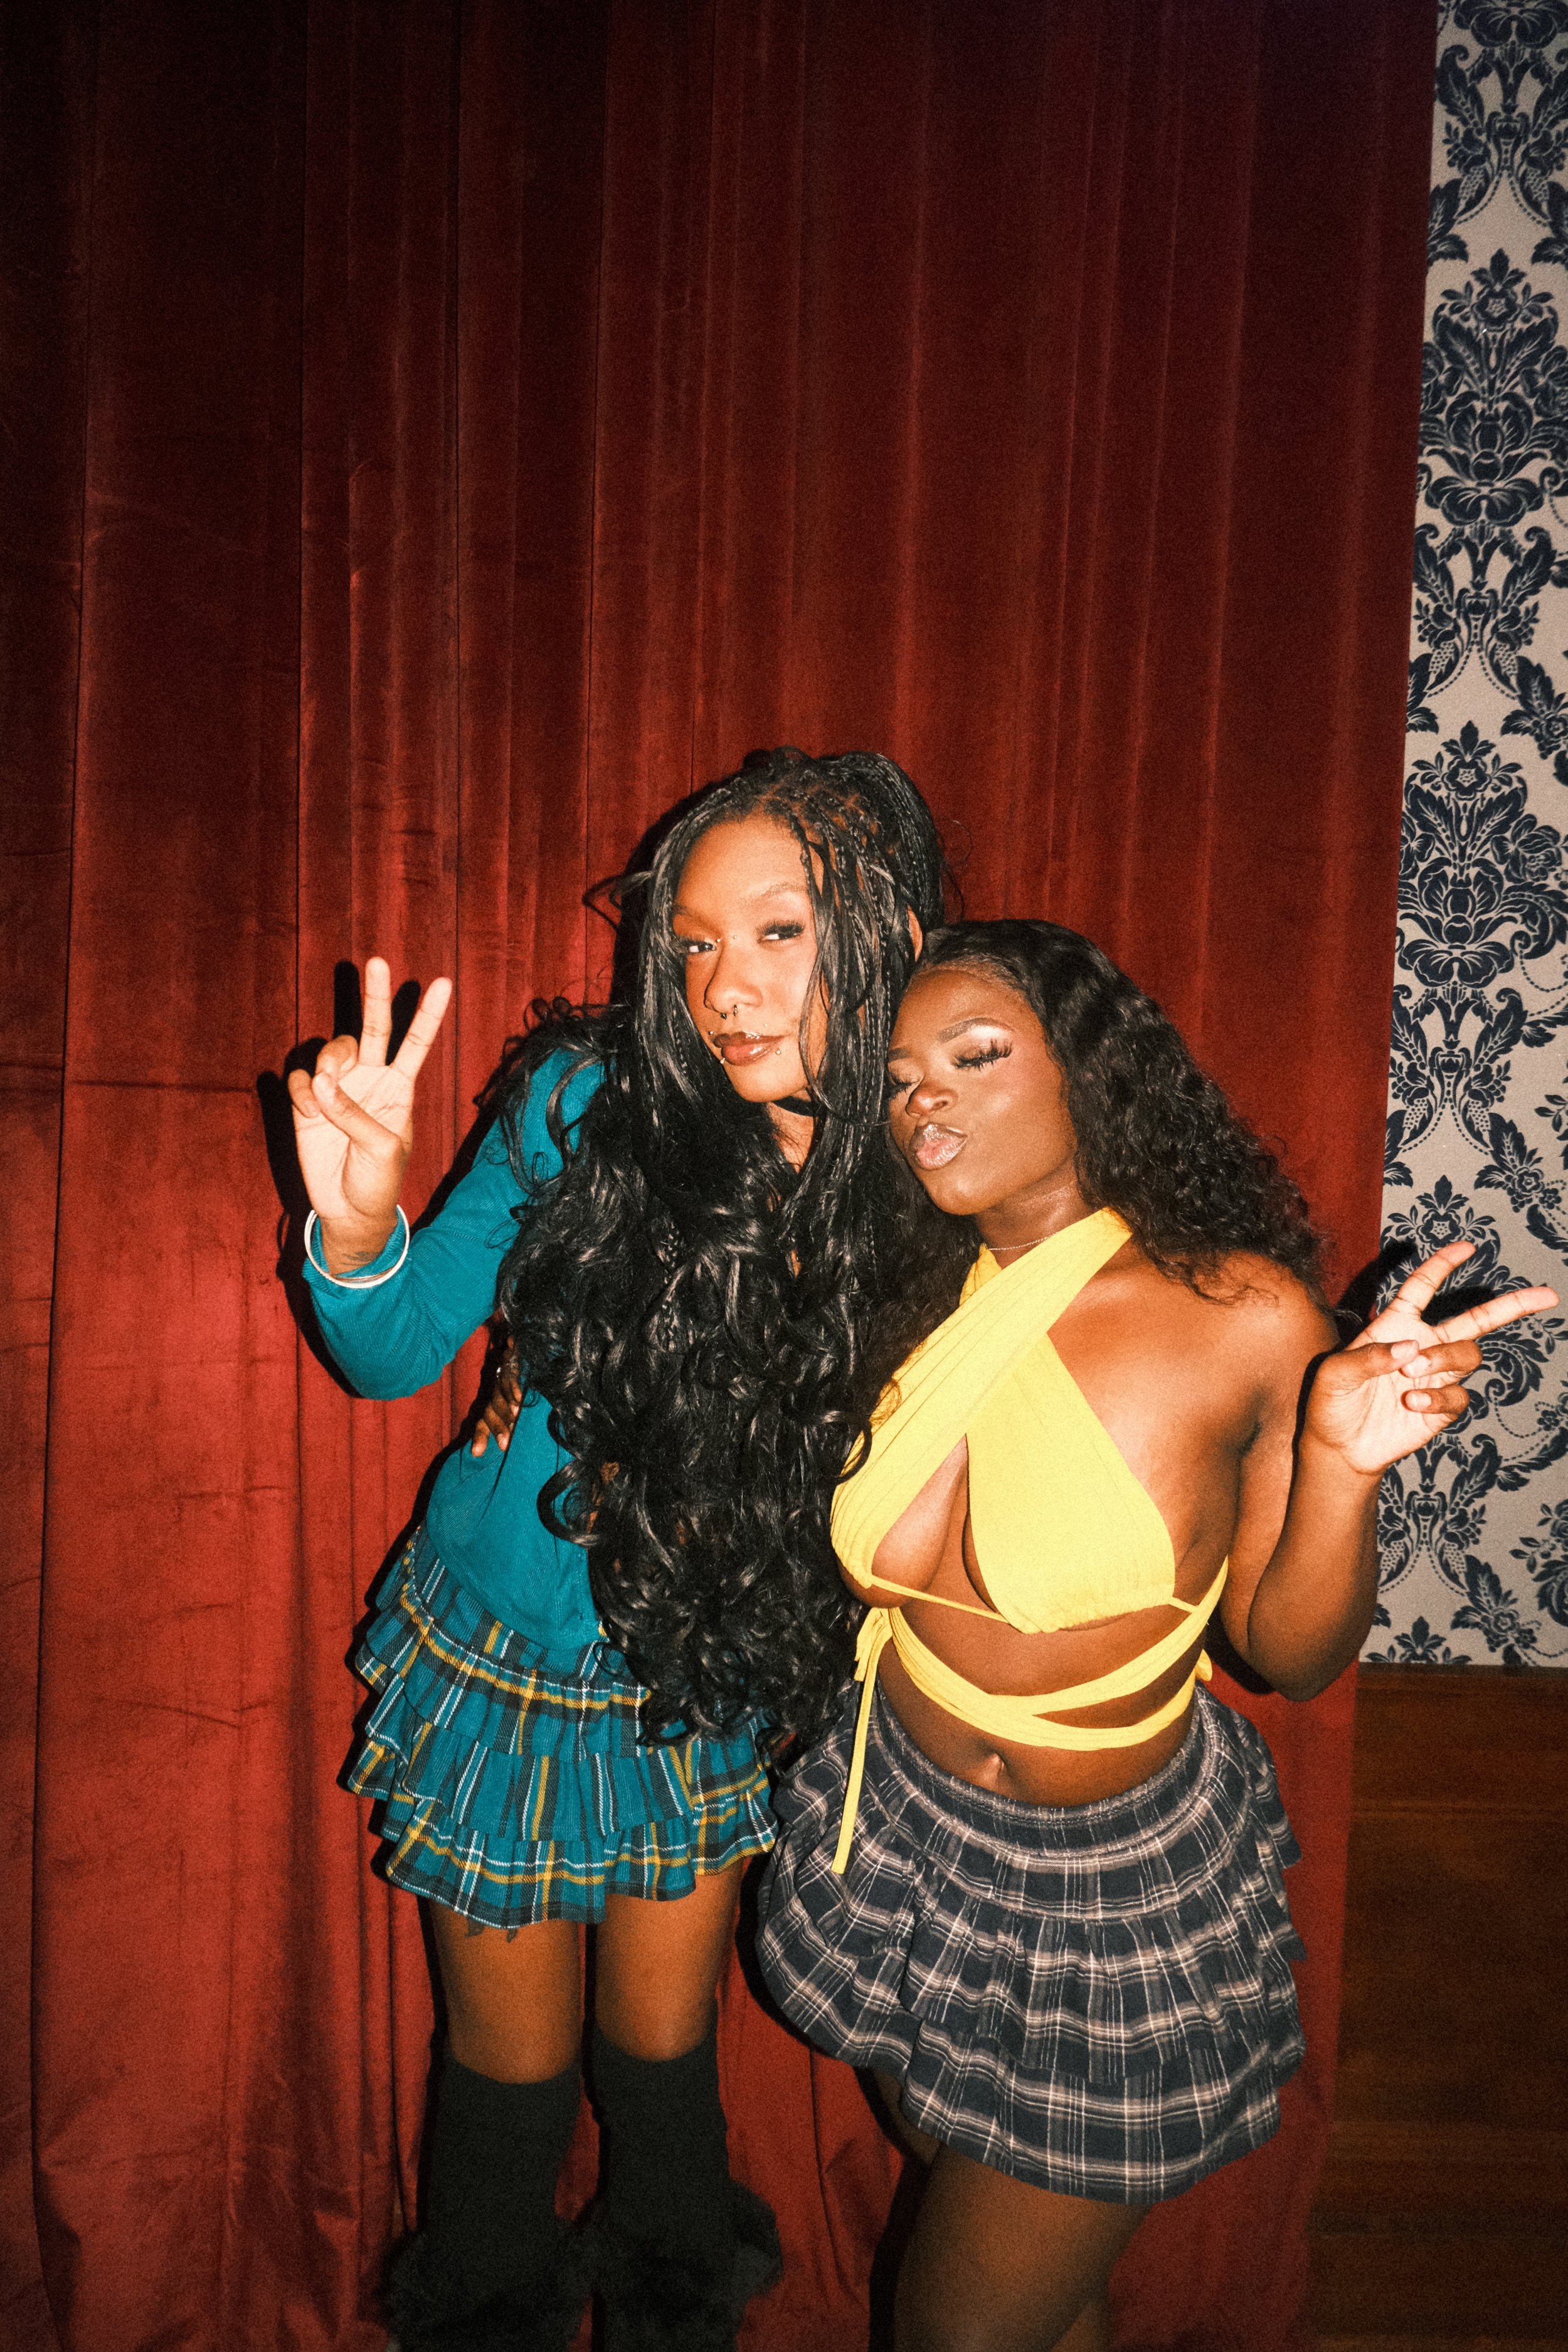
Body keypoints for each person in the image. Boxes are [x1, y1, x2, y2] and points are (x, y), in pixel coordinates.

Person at [753, 918, 1557, 2352]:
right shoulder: (900, 1297)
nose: (921, 1095)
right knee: (1022, 2289)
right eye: (896, 1077)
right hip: (899, 1839)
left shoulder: (1236, 1314)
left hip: (1104, 1904)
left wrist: (1342, 1464)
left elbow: (1286, 1653)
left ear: (1088, 1075)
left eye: (974, 1056)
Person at [285, 747, 946, 2352]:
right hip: (505, 1662)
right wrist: (360, 1224)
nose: (724, 985)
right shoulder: (583, 1101)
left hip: (713, 1679)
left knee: (660, 2066)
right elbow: (389, 1348)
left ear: (893, 937)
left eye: (776, 932)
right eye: (694, 941)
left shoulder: (933, 1165)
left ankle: (670, 2316)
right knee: (508, 2078)